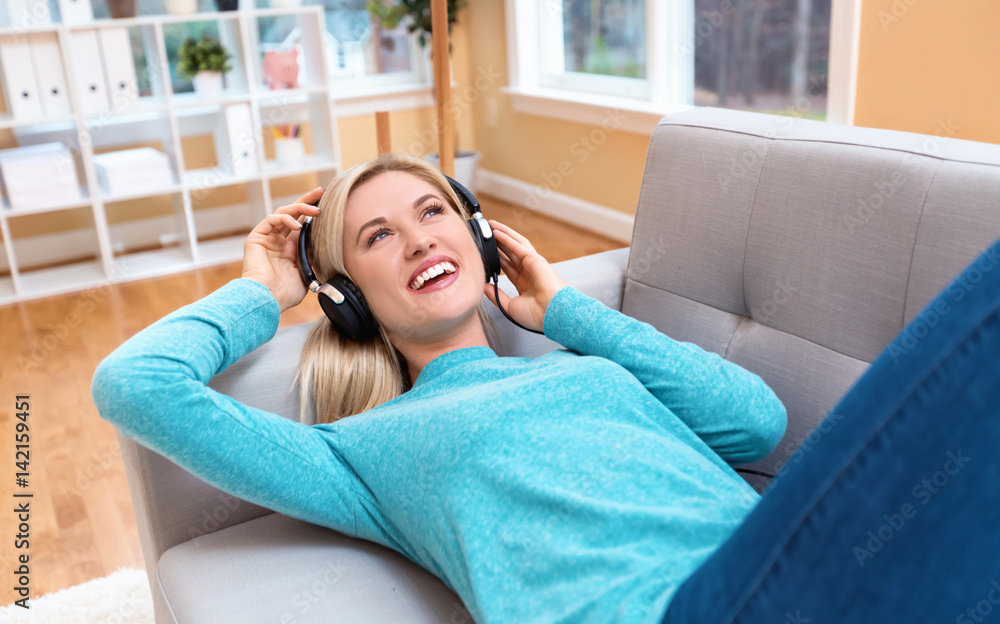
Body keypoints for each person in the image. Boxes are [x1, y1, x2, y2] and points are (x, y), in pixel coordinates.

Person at [91, 152, 999, 624]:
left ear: (479, 239)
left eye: (434, 212)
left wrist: (566, 310)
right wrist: (263, 289)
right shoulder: (361, 450)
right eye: (376, 238)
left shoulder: (590, 364)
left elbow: (757, 423)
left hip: (807, 571)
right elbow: (137, 384)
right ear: (345, 299)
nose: (417, 241)